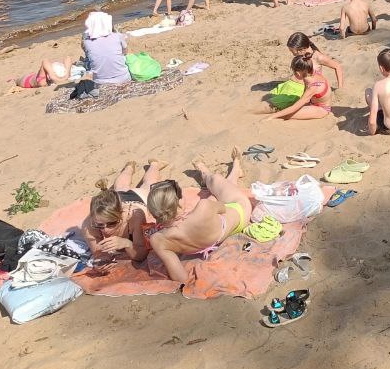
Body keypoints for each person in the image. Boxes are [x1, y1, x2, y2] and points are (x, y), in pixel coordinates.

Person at [146, 151, 253, 287]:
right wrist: (204, 207)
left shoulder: (157, 240)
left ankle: (228, 172)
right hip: (240, 214)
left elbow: (180, 277)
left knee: (216, 193)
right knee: (216, 181)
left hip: (206, 239)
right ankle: (217, 171)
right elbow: (223, 207)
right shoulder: (203, 207)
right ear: (179, 203)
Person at [83, 162, 168, 264]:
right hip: (117, 199)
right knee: (120, 187)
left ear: (121, 214)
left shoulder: (134, 216)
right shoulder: (89, 225)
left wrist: (126, 243)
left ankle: (154, 165)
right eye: (99, 225)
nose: (105, 229)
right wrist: (100, 264)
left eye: (112, 223)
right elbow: (99, 255)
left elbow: (140, 255)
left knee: (149, 184)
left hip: (138, 199)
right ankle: (128, 167)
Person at [270, 56, 333, 120]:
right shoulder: (311, 74)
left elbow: (294, 108)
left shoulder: (313, 87)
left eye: (294, 72)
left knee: (285, 115)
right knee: (283, 111)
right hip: (313, 103)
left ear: (297, 73)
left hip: (322, 109)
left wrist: (271, 117)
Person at [83, 11, 129, 86]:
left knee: (89, 61)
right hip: (123, 78)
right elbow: (125, 52)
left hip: (100, 81)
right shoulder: (118, 36)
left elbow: (89, 56)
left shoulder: (87, 41)